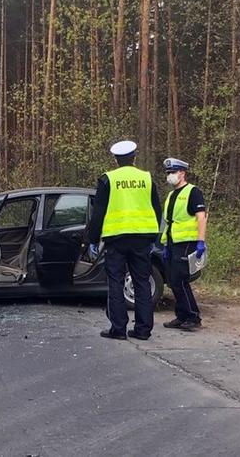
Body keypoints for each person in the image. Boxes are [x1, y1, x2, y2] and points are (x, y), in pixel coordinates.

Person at [87, 140, 162, 341]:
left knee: (116, 282)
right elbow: (157, 208)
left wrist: (92, 240)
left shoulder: (108, 179)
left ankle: (118, 329)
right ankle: (143, 330)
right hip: (142, 239)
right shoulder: (146, 178)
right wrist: (155, 236)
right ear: (134, 157)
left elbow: (98, 213)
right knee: (142, 283)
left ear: (115, 160)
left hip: (117, 239)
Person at [160, 158, 207, 331]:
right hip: (173, 242)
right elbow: (169, 221)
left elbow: (201, 217)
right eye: (168, 173)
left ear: (182, 173)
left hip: (187, 242)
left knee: (180, 280)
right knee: (173, 281)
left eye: (173, 172)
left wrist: (201, 241)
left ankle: (193, 317)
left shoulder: (193, 192)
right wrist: (165, 244)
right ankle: (181, 316)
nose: (170, 176)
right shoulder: (172, 195)